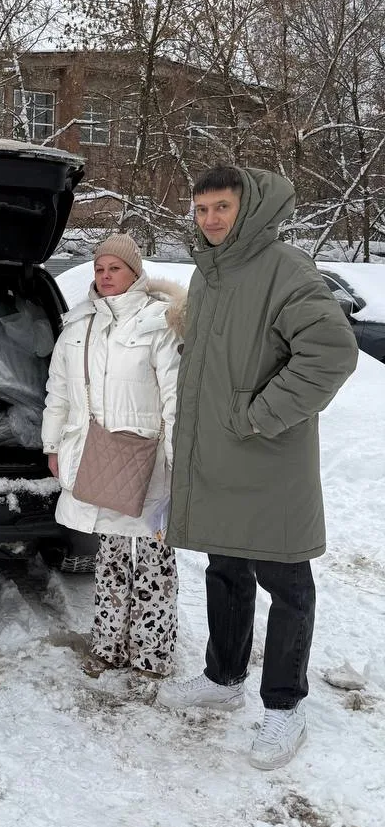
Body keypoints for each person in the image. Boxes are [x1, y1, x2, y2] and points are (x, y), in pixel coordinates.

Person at [156, 166, 358, 769]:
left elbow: (330, 354)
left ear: (249, 210)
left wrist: (258, 415)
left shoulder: (286, 269)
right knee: (225, 567)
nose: (211, 220)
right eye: (202, 210)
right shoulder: (210, 273)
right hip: (219, 453)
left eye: (222, 208)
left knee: (287, 583)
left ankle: (285, 707)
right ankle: (223, 679)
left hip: (268, 458)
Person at [43, 234, 186, 678]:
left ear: (135, 272)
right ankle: (108, 645)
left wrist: (178, 461)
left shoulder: (159, 321)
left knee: (153, 559)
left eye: (115, 269)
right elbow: (58, 392)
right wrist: (52, 445)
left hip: (147, 462)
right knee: (110, 557)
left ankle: (151, 652)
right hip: (95, 458)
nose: (105, 277)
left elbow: (175, 399)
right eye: (99, 269)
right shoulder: (78, 324)